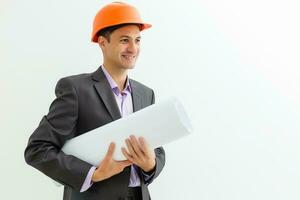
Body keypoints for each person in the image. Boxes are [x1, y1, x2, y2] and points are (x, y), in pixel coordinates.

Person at [24, 2, 165, 200]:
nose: (133, 48)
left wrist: (151, 165)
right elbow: (38, 150)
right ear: (102, 42)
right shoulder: (76, 90)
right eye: (125, 40)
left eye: (138, 40)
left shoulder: (146, 94)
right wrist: (93, 174)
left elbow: (156, 149)